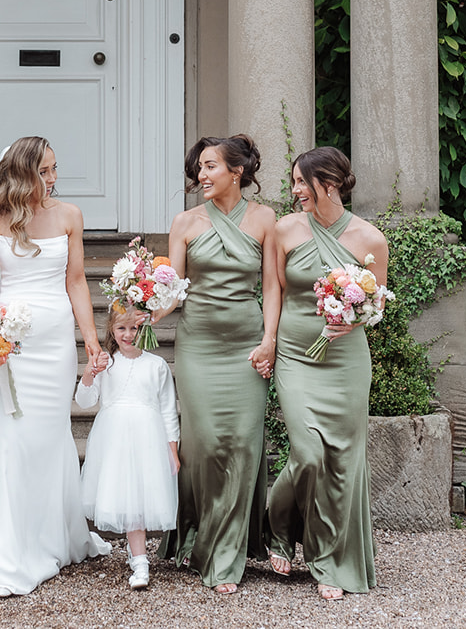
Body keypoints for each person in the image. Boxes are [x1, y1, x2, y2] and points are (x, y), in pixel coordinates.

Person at [0, 136, 112, 596]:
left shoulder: (69, 215)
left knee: (50, 438)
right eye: (45, 171)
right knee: (11, 441)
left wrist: (91, 341)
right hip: (9, 348)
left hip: (54, 346)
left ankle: (54, 534)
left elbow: (75, 281)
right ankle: (9, 553)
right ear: (22, 174)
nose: (53, 179)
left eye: (56, 169)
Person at [159, 134, 281, 593]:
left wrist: (269, 339)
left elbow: (272, 286)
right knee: (205, 446)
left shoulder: (265, 219)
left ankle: (226, 553)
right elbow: (172, 290)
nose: (202, 175)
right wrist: (145, 302)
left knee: (243, 445)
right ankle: (196, 536)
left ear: (237, 171)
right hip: (200, 346)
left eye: (210, 166)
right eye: (199, 168)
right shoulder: (185, 223)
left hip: (247, 344)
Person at [266, 146, 389, 600]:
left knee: (342, 463)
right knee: (309, 451)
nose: (295, 190)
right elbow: (275, 290)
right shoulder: (285, 230)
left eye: (301, 182)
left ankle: (329, 560)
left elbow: (376, 305)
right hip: (296, 357)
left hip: (346, 363)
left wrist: (351, 318)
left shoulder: (370, 239)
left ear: (329, 185)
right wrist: (270, 340)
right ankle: (277, 527)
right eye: (294, 182)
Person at [75, 302, 180, 590]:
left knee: (139, 501)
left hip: (147, 440)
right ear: (111, 328)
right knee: (124, 496)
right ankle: (139, 560)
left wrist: (172, 448)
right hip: (113, 441)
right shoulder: (106, 363)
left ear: (144, 328)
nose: (128, 334)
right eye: (122, 328)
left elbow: (168, 409)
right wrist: (90, 373)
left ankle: (140, 562)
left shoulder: (156, 365)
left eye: (134, 328)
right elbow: (85, 401)